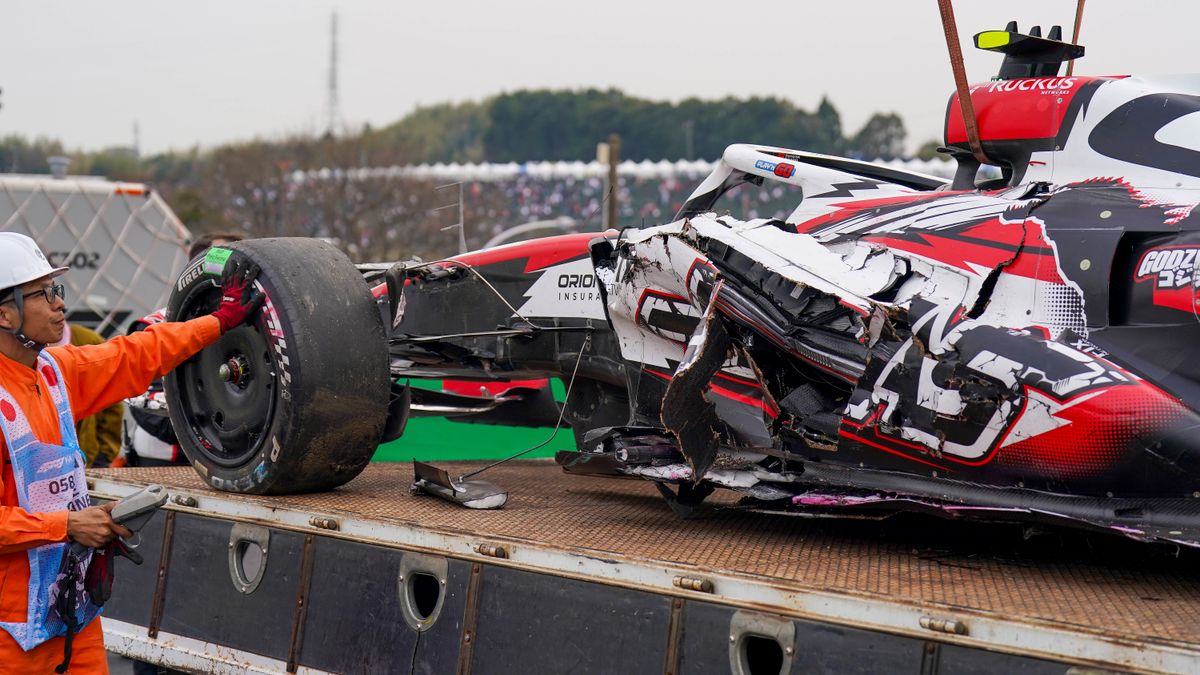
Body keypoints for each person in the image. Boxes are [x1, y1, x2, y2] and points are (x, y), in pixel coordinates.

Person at [0, 231, 261, 674]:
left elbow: (136, 354)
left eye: (56, 289)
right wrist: (69, 524)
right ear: (5, 314)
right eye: (43, 294)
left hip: (72, 616)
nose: (60, 303)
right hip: (11, 632)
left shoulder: (53, 371)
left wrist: (219, 321)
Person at [120, 230, 246, 468]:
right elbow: (146, 405)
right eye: (226, 261)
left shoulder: (260, 329)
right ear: (196, 270)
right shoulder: (154, 326)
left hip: (234, 460)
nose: (235, 272)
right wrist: (211, 433)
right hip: (163, 461)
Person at [50, 323, 123, 467]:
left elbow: (113, 400)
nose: (58, 311)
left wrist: (105, 452)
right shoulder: (20, 348)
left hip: (89, 456)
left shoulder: (88, 341)